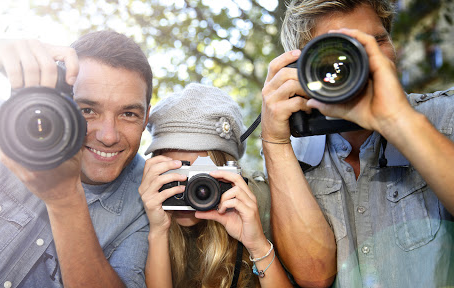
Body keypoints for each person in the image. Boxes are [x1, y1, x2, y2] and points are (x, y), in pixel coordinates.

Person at [262, 0, 454, 287]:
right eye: (339, 51)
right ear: (301, 69)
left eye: (377, 41)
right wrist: (274, 142)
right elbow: (314, 276)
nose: (365, 59)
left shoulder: (445, 117)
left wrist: (397, 119)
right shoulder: (292, 155)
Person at [0, 30, 152, 287]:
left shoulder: (145, 195)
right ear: (59, 100)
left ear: (146, 118)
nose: (108, 136)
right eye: (87, 110)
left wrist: (66, 202)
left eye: (128, 114)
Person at [138, 83, 292, 288]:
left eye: (200, 179)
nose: (190, 191)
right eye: (177, 174)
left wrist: (257, 244)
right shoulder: (145, 210)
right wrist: (158, 231)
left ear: (228, 175)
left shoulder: (257, 201)